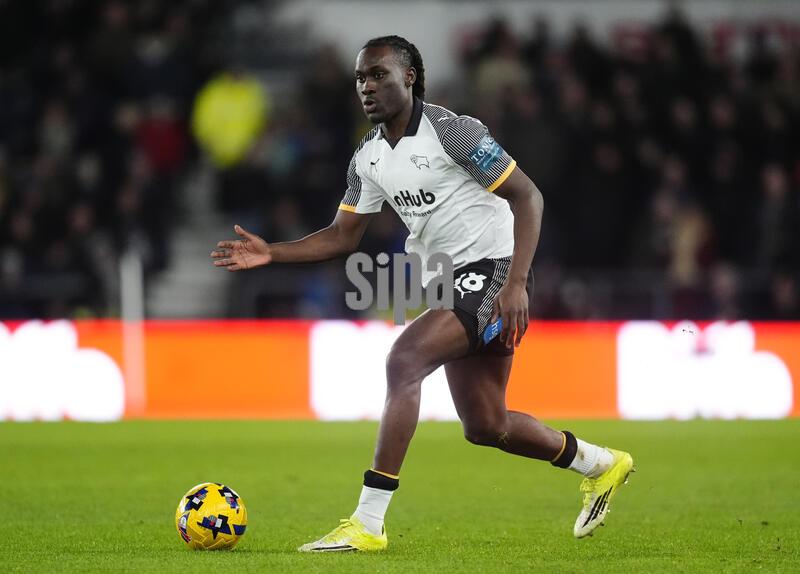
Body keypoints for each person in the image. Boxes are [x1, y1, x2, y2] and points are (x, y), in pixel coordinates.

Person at [210, 35, 634, 552]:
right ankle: (600, 464)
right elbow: (342, 237)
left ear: (409, 77)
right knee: (486, 425)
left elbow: (528, 196)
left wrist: (516, 283)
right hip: (450, 281)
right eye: (361, 78)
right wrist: (272, 252)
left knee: (404, 360)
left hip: (496, 271)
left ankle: (368, 522)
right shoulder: (368, 156)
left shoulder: (453, 132)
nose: (367, 86)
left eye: (379, 75)